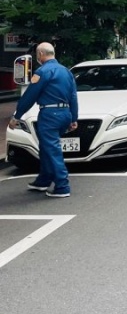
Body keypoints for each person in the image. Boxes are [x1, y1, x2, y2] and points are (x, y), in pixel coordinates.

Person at [8, 42, 78, 198]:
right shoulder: (66, 71)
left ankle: (62, 186)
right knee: (47, 148)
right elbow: (73, 96)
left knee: (52, 150)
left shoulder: (42, 71)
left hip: (50, 114)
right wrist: (74, 118)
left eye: (37, 55)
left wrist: (17, 116)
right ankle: (43, 180)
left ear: (40, 54)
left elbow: (30, 96)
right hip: (65, 113)